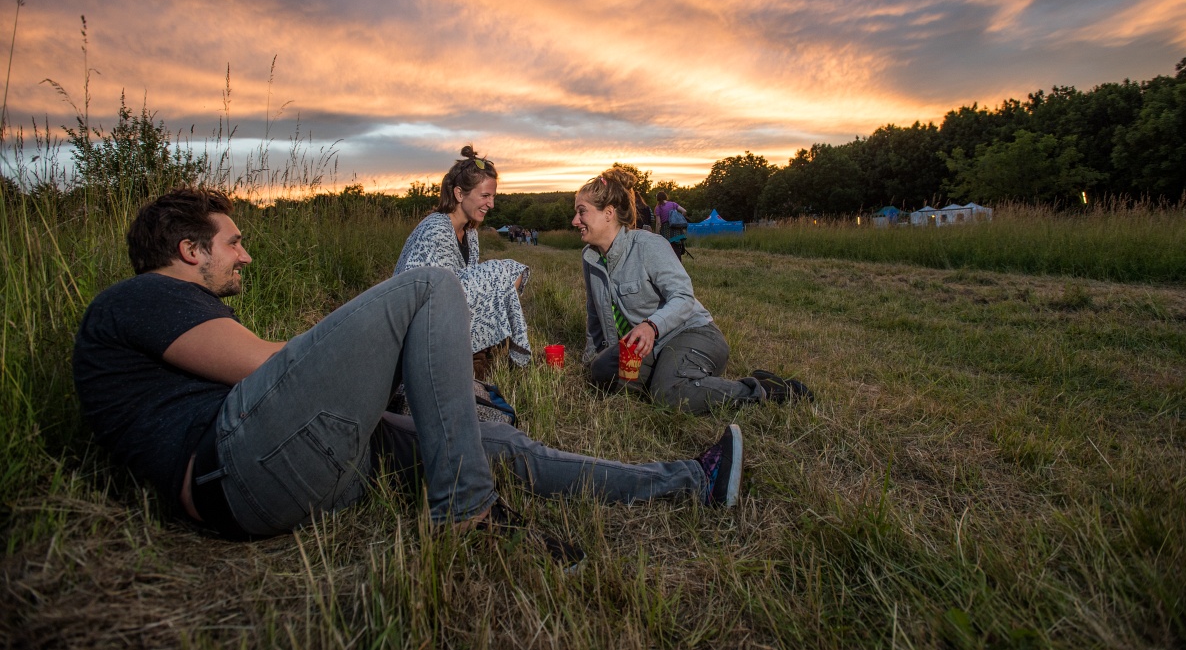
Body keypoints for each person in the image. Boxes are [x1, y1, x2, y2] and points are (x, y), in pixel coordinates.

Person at [72, 188, 747, 552]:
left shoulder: (180, 310)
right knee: (428, 286)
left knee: (491, 445)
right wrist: (379, 345)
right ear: (190, 250)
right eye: (232, 243)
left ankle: (690, 480)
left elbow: (280, 373)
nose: (244, 256)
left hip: (292, 460)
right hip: (236, 466)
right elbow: (263, 366)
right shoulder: (138, 299)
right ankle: (464, 514)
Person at [573, 172, 813, 415]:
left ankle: (763, 389)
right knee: (601, 373)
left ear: (608, 213)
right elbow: (595, 316)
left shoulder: (648, 245)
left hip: (693, 333)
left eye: (582, 211)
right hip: (650, 348)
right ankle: (674, 377)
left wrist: (651, 326)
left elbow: (684, 297)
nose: (575, 221)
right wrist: (589, 361)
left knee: (669, 395)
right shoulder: (590, 258)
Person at [394, 146, 529, 378]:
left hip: (450, 310)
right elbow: (424, 295)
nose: (491, 204)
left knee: (512, 271)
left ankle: (480, 351)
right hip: (423, 326)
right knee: (498, 271)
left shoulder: (470, 232)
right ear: (459, 194)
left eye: (493, 196)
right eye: (485, 196)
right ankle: (467, 357)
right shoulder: (435, 229)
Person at [654, 192, 688, 258]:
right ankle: (679, 265)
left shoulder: (658, 208)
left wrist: (656, 233)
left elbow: (658, 223)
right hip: (676, 228)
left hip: (666, 230)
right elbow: (684, 211)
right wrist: (679, 219)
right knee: (676, 248)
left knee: (668, 249)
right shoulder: (673, 204)